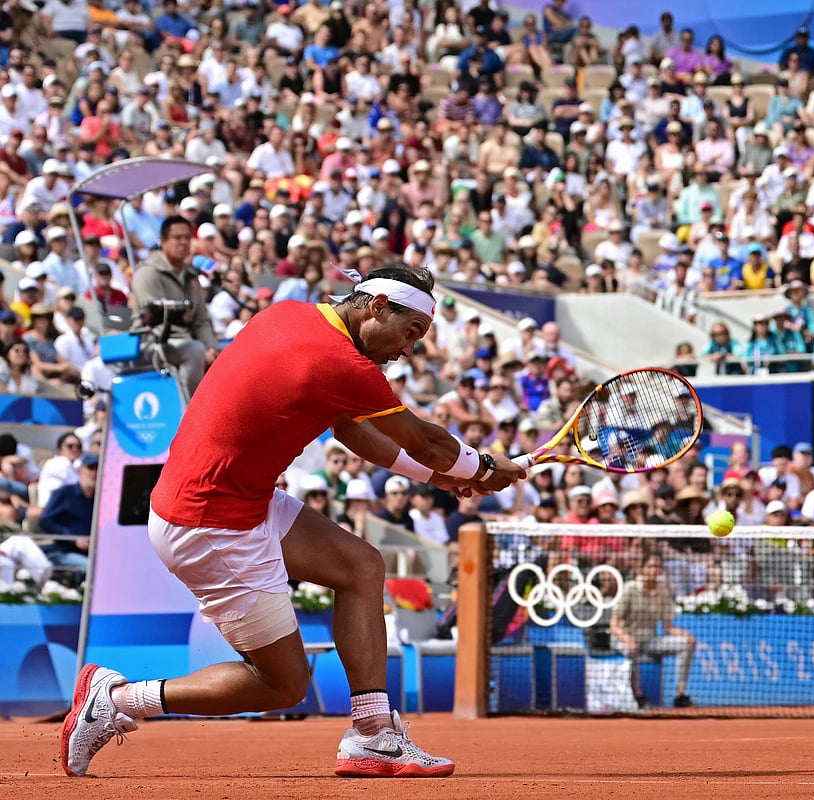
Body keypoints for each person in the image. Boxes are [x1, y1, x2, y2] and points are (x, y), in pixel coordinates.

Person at [61, 265, 525, 779]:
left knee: (361, 567)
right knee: (282, 685)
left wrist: (436, 479)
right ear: (375, 308)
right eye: (410, 332)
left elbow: (350, 429)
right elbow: (430, 442)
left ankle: (373, 737)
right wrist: (483, 467)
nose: (409, 349)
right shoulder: (343, 364)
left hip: (236, 502)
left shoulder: (290, 316)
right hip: (210, 525)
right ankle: (120, 698)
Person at [129, 215, 219, 400]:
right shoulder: (148, 272)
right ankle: (192, 413)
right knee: (193, 350)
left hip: (186, 342)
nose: (184, 243)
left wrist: (211, 347)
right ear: (163, 241)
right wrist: (202, 349)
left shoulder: (191, 275)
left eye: (187, 238)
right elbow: (156, 319)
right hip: (151, 342)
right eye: (178, 238)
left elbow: (201, 319)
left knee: (228, 354)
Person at [609, 553, 696, 710]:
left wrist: (686, 635)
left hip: (649, 640)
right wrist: (626, 638)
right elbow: (614, 624)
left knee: (685, 645)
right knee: (632, 650)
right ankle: (638, 695)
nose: (654, 570)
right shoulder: (630, 588)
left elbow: (667, 627)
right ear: (643, 569)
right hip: (624, 639)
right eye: (650, 566)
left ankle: (680, 695)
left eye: (657, 567)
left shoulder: (663, 592)